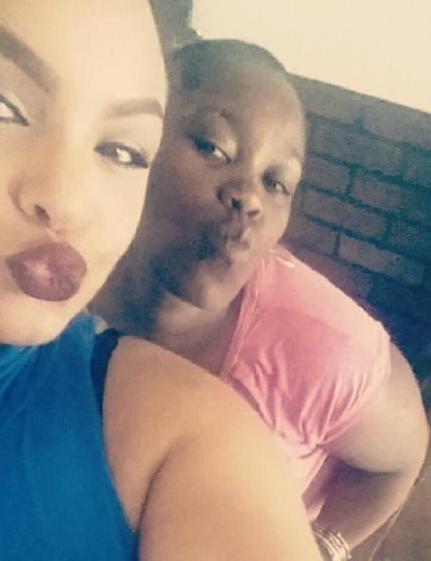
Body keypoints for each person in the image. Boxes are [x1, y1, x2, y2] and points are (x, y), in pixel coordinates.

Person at [0, 2, 325, 560]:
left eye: (121, 151)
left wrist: (335, 541)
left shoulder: (191, 444)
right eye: (5, 109)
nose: (68, 200)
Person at [95, 39, 429, 559]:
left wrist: (325, 544)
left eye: (276, 182)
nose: (248, 196)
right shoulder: (60, 277)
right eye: (214, 147)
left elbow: (399, 459)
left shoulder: (321, 346)